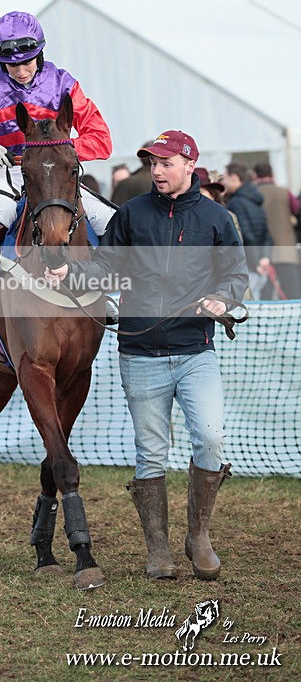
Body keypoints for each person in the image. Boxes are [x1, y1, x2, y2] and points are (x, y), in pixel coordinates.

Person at [45, 130, 248, 581]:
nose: (156, 171)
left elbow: (235, 275)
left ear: (188, 166)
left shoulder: (216, 218)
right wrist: (72, 271)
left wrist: (222, 298)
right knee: (151, 454)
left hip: (197, 350)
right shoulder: (132, 214)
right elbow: (106, 265)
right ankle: (158, 550)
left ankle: (199, 537)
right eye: (152, 163)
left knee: (210, 438)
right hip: (140, 352)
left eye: (165, 163)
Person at [0, 10, 114, 321]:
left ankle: (110, 291)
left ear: (40, 54)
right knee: (0, 216)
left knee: (110, 219)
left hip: (54, 171)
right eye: (12, 64)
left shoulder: (64, 83)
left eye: (27, 62)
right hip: (5, 168)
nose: (20, 71)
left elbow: (101, 139)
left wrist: (58, 152)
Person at [222, 162, 273, 300]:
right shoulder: (254, 199)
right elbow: (266, 233)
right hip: (261, 263)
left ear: (234, 177)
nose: (223, 181)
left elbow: (245, 234)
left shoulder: (236, 203)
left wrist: (256, 264)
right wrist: (265, 259)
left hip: (251, 266)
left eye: (225, 176)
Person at [252, 161, 301, 299]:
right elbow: (296, 209)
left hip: (261, 251)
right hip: (286, 248)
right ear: (272, 175)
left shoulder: (253, 194)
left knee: (265, 294)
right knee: (292, 291)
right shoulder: (284, 192)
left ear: (255, 175)